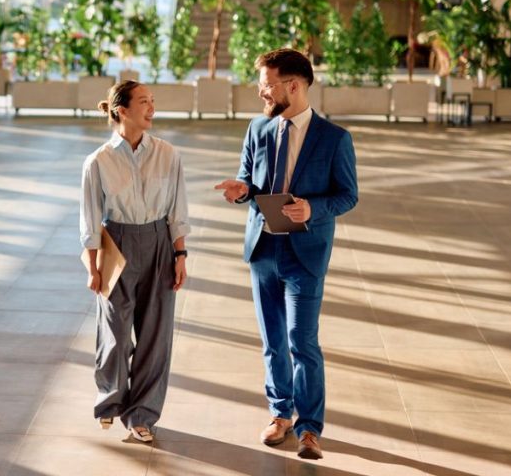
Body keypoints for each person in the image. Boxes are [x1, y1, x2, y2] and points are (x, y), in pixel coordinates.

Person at [214, 49, 358, 459]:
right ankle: (280, 414)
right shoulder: (258, 128)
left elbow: (348, 195)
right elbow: (249, 178)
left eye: (267, 84)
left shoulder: (334, 139)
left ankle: (310, 427)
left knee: (302, 340)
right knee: (272, 339)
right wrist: (242, 190)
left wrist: (313, 207)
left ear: (293, 86)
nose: (261, 91)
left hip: (305, 253)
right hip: (263, 248)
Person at [80, 80, 190, 443]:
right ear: (122, 110)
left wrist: (180, 254)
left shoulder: (169, 154)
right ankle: (111, 400)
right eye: (144, 101)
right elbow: (91, 219)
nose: (152, 107)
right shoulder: (98, 161)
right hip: (118, 243)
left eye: (153, 101)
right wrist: (93, 268)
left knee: (156, 335)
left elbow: (178, 211)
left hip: (159, 241)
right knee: (114, 332)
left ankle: (142, 414)